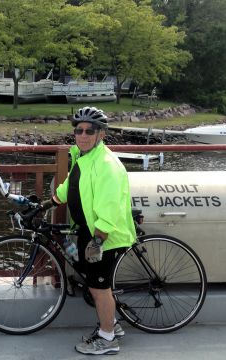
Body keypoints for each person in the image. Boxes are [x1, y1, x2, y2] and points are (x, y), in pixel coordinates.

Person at [44, 106, 137, 355]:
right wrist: (48, 202)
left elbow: (110, 208)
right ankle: (111, 325)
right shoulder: (83, 158)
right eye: (78, 130)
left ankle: (107, 340)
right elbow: (69, 188)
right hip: (88, 231)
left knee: (99, 287)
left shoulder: (106, 164)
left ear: (101, 134)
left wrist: (97, 241)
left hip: (104, 236)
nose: (83, 135)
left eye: (89, 131)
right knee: (94, 282)